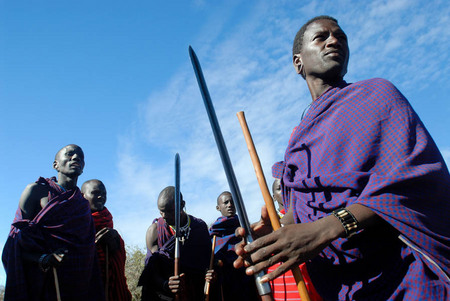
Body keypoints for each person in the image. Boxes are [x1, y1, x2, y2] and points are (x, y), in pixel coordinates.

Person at [234, 16, 450, 300]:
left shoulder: (378, 95)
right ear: (298, 62)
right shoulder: (297, 140)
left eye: (340, 37)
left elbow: (418, 179)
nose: (334, 41)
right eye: (321, 37)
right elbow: (307, 216)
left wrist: (328, 229)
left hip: (404, 276)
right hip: (341, 287)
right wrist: (273, 236)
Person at [2, 144, 104, 300]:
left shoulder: (83, 205)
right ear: (55, 165)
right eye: (69, 154)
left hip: (77, 284)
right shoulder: (36, 191)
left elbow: (87, 252)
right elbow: (15, 244)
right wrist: (44, 259)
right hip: (42, 281)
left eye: (80, 157)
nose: (76, 157)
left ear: (83, 168)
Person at [138, 186, 211, 301]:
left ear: (182, 205)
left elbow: (206, 263)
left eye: (169, 211)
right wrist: (165, 284)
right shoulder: (155, 230)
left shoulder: (199, 228)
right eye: (161, 211)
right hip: (163, 296)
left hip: (194, 294)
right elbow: (152, 269)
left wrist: (210, 274)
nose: (164, 216)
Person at [267, 179, 322, 301]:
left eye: (287, 187)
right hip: (283, 291)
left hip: (312, 287)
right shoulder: (268, 225)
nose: (285, 191)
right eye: (279, 189)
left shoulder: (308, 216)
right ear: (274, 197)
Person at [81, 179, 132, 301]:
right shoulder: (76, 222)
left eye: (104, 194)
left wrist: (115, 240)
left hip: (109, 290)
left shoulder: (107, 221)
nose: (101, 196)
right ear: (83, 196)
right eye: (95, 192)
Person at [207, 191, 259, 300]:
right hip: (225, 284)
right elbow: (211, 262)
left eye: (232, 202)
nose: (230, 205)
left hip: (248, 279)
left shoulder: (245, 228)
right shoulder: (214, 234)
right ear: (218, 208)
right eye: (225, 202)